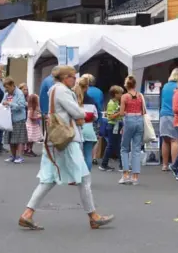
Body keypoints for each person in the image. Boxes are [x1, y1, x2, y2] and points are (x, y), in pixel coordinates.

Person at [18, 65, 113, 230]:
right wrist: (88, 116)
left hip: (54, 139)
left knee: (48, 179)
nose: (75, 79)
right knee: (83, 177)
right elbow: (77, 112)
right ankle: (93, 216)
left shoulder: (54, 90)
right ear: (65, 77)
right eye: (73, 76)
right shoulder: (62, 91)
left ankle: (27, 214)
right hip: (67, 139)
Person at [118, 75, 145, 185]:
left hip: (129, 120)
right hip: (139, 120)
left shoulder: (124, 97)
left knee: (124, 148)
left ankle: (125, 175)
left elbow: (121, 113)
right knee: (136, 149)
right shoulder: (140, 96)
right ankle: (135, 177)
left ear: (126, 85)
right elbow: (143, 111)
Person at [159, 68, 178, 171]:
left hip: (163, 115)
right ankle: (174, 165)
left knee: (165, 140)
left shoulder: (165, 86)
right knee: (175, 140)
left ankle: (164, 165)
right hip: (174, 115)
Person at [2, 77, 28, 164]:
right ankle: (13, 156)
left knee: (19, 139)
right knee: (10, 138)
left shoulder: (19, 93)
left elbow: (21, 106)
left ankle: (19, 156)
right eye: (5, 87)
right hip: (9, 119)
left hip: (18, 118)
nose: (6, 89)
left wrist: (9, 104)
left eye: (7, 87)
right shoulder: (6, 94)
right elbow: (2, 102)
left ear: (12, 85)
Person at [75, 77, 98, 171]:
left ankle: (77, 176)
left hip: (76, 130)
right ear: (87, 87)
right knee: (88, 155)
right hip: (89, 129)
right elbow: (95, 116)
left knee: (76, 155)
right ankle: (86, 177)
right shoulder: (92, 101)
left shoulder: (73, 99)